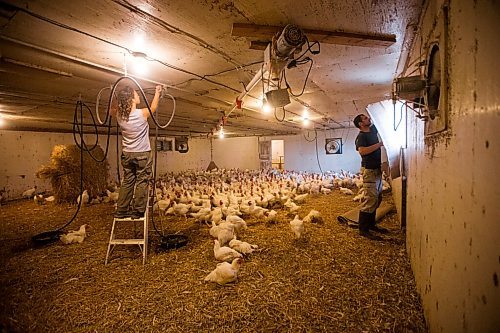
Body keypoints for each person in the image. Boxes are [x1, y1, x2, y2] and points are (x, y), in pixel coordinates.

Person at [112, 84, 162, 219]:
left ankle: (121, 210)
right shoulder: (141, 113)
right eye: (136, 94)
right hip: (142, 153)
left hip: (127, 154)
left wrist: (115, 96)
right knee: (142, 180)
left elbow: (112, 109)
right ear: (132, 99)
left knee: (128, 180)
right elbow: (153, 108)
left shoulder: (119, 116)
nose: (139, 95)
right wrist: (157, 92)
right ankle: (138, 210)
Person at [353, 114, 388, 239]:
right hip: (369, 170)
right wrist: (380, 144)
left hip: (376, 169)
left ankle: (371, 224)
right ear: (361, 124)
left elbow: (379, 121)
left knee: (377, 198)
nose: (368, 119)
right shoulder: (361, 136)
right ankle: (363, 229)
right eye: (365, 118)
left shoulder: (372, 130)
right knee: (370, 200)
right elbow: (362, 151)